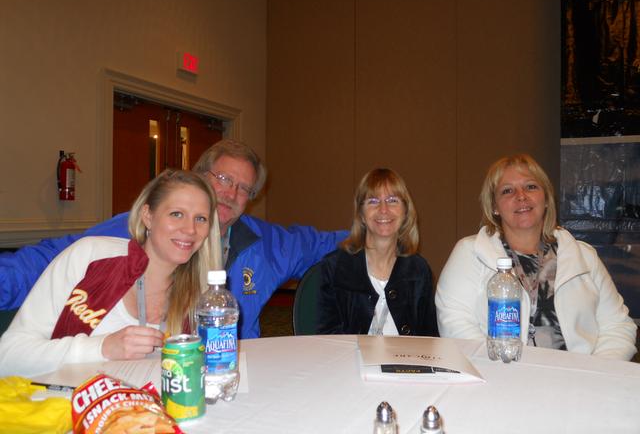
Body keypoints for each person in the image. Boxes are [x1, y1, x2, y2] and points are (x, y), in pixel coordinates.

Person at [0, 139, 346, 339]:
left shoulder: (265, 243)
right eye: (223, 178)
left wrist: (386, 232)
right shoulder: (139, 229)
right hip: (151, 374)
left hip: (234, 376)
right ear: (198, 174)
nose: (230, 194)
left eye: (244, 188)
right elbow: (48, 261)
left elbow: (324, 243)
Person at [0, 169, 220, 377]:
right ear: (148, 216)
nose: (190, 229)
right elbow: (7, 357)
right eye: (177, 214)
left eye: (200, 218)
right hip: (60, 409)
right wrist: (103, 348)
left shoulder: (202, 297)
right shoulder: (89, 257)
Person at [435, 154, 637, 361]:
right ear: (494, 206)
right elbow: (454, 322)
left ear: (547, 198)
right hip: (499, 381)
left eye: (531, 187)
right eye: (507, 191)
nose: (521, 196)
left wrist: (596, 372)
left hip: (577, 382)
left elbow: (618, 325)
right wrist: (497, 371)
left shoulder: (584, 256)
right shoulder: (470, 253)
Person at [315, 168, 438, 336]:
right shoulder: (335, 268)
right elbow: (327, 339)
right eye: (373, 201)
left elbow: (429, 339)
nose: (383, 209)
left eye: (393, 200)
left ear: (406, 211)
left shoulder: (419, 270)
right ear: (361, 214)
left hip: (406, 362)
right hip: (349, 361)